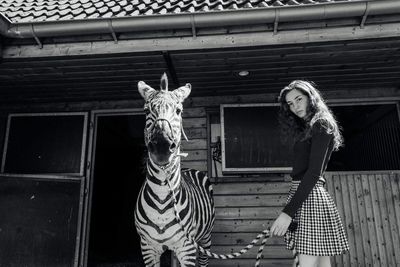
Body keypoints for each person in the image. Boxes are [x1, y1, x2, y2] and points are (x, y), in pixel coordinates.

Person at [270, 80, 349, 267]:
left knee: (306, 263)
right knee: (322, 263)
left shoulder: (321, 124)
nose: (295, 106)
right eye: (290, 103)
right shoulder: (308, 127)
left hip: (310, 196)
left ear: (310, 97)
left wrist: (287, 213)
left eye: (299, 99)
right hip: (307, 195)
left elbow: (313, 173)